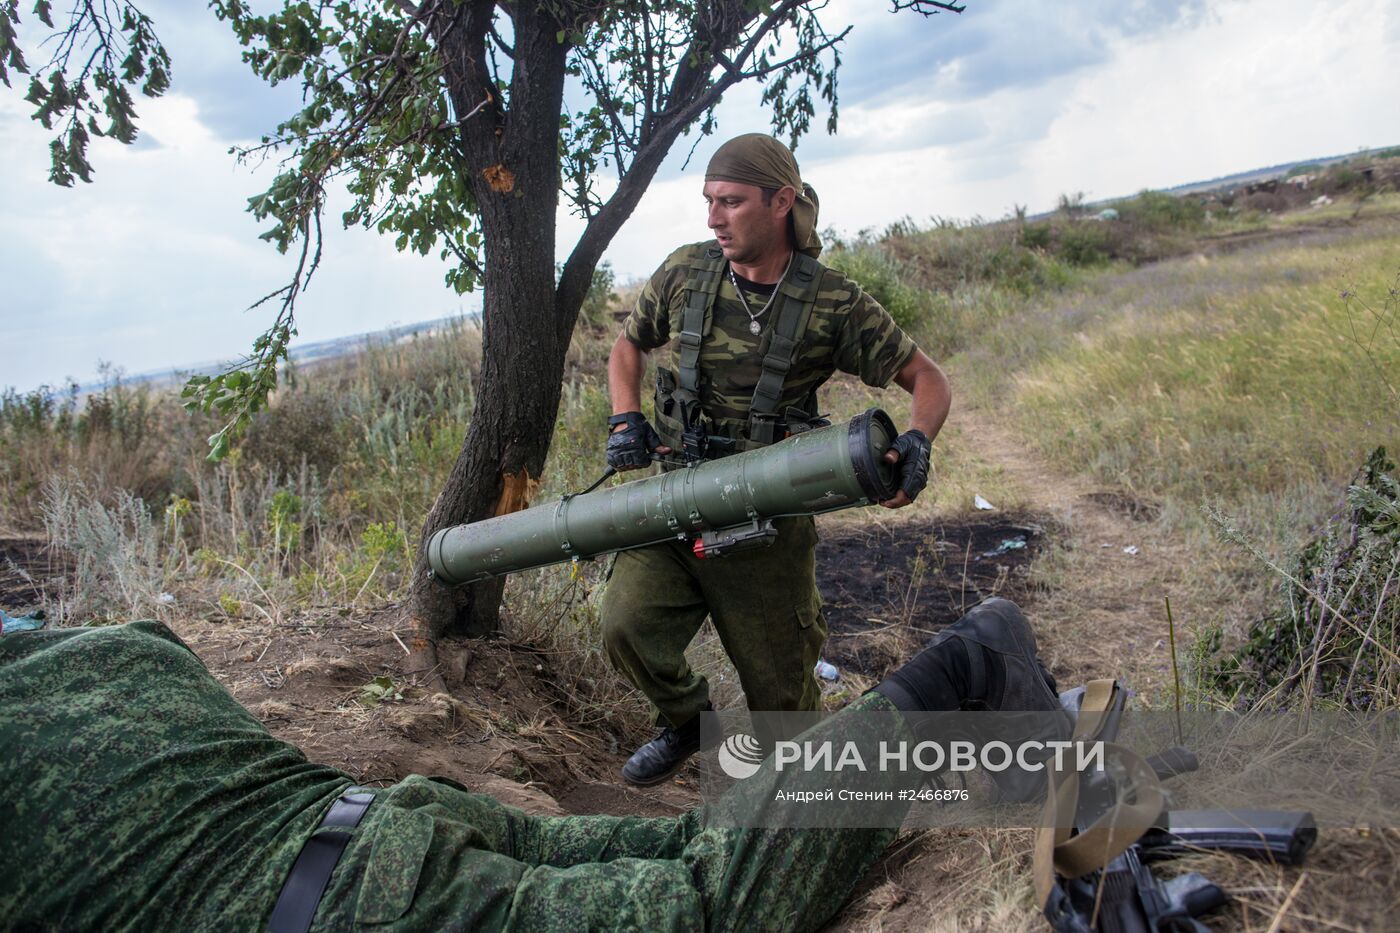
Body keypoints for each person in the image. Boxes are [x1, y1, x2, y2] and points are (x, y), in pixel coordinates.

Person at [0, 599, 1062, 933]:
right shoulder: (113, 648)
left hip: (368, 905)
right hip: (383, 819)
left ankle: (964, 665)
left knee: (708, 905)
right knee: (694, 844)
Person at [602, 133, 953, 785]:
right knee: (625, 625)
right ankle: (688, 722)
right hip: (674, 501)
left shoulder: (832, 302)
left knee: (784, 711)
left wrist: (918, 439)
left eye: (731, 202)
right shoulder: (685, 272)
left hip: (765, 522)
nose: (714, 217)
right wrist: (626, 417)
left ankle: (807, 807)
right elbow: (628, 345)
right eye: (709, 201)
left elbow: (926, 377)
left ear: (781, 201)